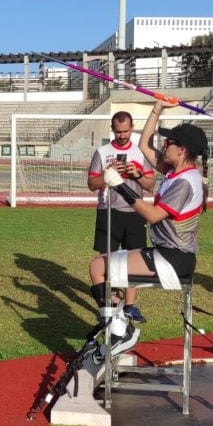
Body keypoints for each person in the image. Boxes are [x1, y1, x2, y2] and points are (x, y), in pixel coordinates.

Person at [86, 100, 208, 359]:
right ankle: (118, 327)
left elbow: (152, 215)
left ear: (182, 149)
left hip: (174, 258)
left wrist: (120, 186)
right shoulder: (176, 171)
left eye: (169, 143)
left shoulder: (185, 182)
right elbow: (144, 145)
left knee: (98, 266)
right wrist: (157, 109)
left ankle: (120, 331)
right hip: (167, 253)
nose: (164, 146)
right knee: (99, 265)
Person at [87, 111, 155, 324]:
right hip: (108, 212)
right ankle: (111, 303)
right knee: (106, 258)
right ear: (112, 129)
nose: (123, 135)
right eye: (119, 132)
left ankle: (130, 306)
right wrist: (107, 177)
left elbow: (150, 185)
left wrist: (138, 175)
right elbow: (91, 184)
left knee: (133, 258)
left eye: (126, 131)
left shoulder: (140, 152)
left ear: (132, 127)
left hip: (136, 212)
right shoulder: (102, 152)